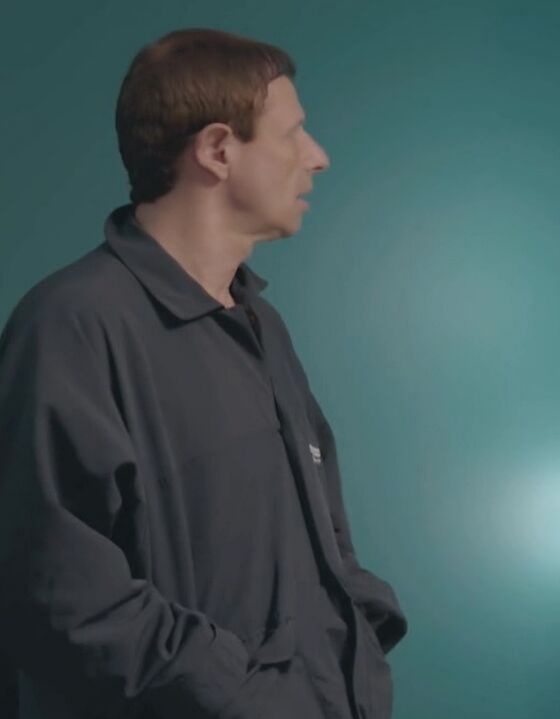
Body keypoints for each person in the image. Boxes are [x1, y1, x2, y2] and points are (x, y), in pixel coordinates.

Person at [0, 28, 406, 719]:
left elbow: (323, 542)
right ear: (218, 149)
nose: (317, 156)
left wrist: (356, 652)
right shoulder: (72, 324)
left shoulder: (259, 323)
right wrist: (245, 696)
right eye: (292, 133)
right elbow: (58, 595)